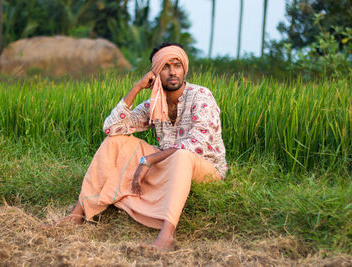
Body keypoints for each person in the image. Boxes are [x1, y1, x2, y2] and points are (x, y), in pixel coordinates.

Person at [59, 43, 228, 250]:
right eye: (165, 66)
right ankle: (78, 214)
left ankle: (166, 237)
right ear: (155, 73)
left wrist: (148, 160)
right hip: (169, 162)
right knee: (115, 142)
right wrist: (136, 88)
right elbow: (111, 128)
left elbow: (196, 144)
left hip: (205, 168)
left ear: (185, 69)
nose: (172, 72)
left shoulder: (201, 96)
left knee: (182, 155)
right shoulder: (154, 103)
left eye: (177, 65)